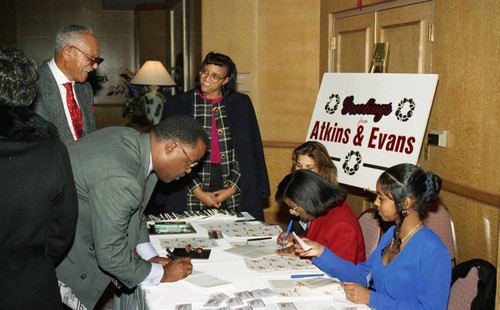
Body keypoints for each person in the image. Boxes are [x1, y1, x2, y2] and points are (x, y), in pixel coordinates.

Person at [55, 115, 209, 310]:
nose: (189, 171)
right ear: (171, 148)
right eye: (190, 163)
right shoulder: (122, 177)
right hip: (59, 266)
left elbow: (134, 211)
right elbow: (110, 254)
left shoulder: (130, 140)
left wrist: (149, 257)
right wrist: (162, 274)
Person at [298, 163, 451, 309]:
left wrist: (372, 298)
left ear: (405, 203)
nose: (376, 202)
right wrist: (321, 251)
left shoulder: (434, 251)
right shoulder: (391, 235)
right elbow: (361, 276)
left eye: (381, 197)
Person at [0, 46, 78, 309]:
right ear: (30, 93)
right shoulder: (52, 151)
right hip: (30, 280)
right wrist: (36, 258)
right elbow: (63, 225)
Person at [152, 52, 270, 221]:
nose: (207, 78)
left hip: (234, 183)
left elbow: (248, 153)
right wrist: (198, 191)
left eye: (216, 76)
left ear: (226, 80)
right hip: (187, 184)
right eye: (205, 71)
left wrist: (231, 189)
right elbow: (170, 155)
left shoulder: (241, 104)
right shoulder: (177, 104)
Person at [275, 169, 365, 264]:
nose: (295, 214)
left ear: (308, 202)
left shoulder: (343, 225)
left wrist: (301, 254)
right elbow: (318, 240)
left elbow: (340, 269)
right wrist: (295, 240)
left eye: (294, 209)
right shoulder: (321, 209)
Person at [33, 24, 101, 146]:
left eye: (97, 61)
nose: (95, 66)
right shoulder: (33, 85)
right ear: (68, 52)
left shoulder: (85, 88)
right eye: (91, 58)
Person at [289, 141, 338, 234]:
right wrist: (292, 237)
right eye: (299, 166)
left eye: (310, 168)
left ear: (323, 171)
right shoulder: (298, 193)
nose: (302, 172)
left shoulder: (328, 202)